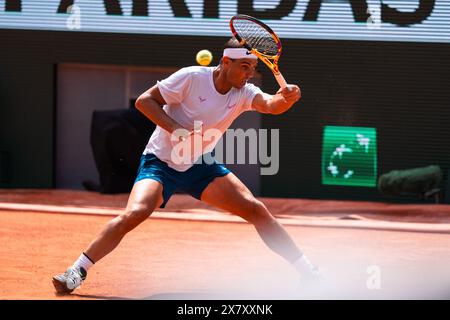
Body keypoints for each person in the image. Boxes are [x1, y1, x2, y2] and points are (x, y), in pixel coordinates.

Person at [52, 37, 322, 294]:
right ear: (225, 63)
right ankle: (76, 271)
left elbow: (271, 105)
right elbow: (145, 101)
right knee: (135, 212)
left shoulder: (244, 92)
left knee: (256, 209)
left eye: (253, 67)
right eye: (244, 66)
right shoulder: (191, 77)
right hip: (160, 162)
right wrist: (177, 130)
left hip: (199, 164)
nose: (250, 73)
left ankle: (309, 273)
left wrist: (286, 98)